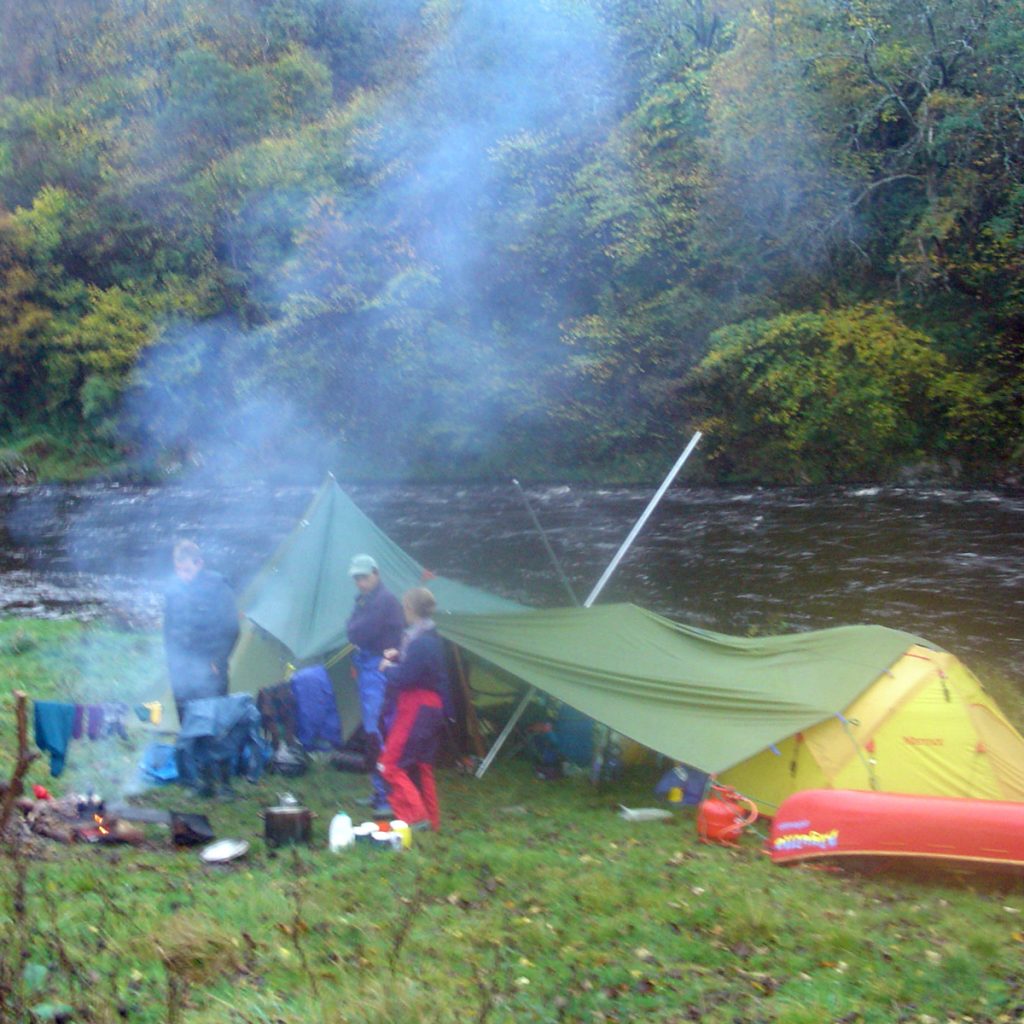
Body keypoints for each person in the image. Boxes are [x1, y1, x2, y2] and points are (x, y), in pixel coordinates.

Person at [378, 587, 452, 831]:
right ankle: (432, 823)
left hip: (416, 705)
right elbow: (421, 666)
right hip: (433, 707)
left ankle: (414, 818)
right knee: (422, 767)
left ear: (410, 608)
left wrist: (388, 667)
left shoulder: (420, 642)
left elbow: (406, 678)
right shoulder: (430, 637)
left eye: (404, 606)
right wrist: (399, 656)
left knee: (390, 765)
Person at [344, 553, 405, 815]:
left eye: (364, 577)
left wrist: (355, 628)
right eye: (357, 578)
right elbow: (351, 629)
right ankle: (378, 789)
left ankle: (387, 797)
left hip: (378, 667)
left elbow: (360, 631)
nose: (360, 582)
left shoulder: (384, 600)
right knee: (373, 730)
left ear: (376, 574)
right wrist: (355, 628)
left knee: (378, 730)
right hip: (367, 665)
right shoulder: (366, 599)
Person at [163, 540, 240, 733]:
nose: (183, 576)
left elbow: (231, 628)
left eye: (187, 570)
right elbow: (168, 627)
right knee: (185, 714)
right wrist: (171, 660)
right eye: (178, 570)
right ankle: (190, 755)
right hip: (181, 667)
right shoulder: (173, 590)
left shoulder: (218, 587)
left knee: (212, 718)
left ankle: (214, 759)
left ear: (199, 563)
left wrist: (218, 660)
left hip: (210, 666)